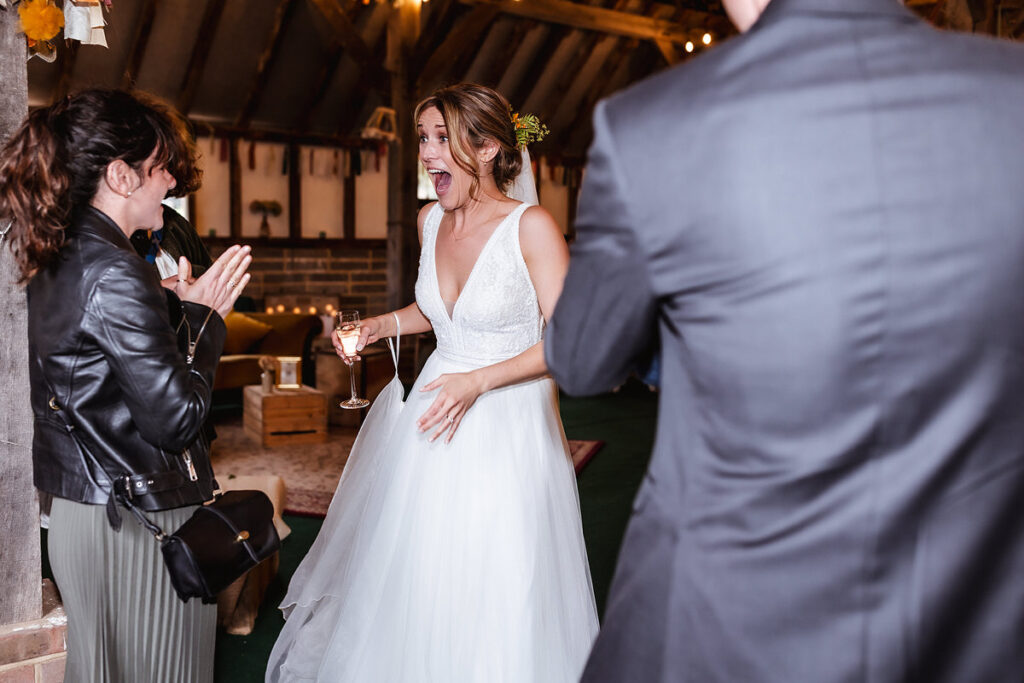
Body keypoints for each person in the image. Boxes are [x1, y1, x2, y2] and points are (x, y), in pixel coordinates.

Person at [544, 0, 1024, 681]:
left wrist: (679, 344)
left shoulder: (653, 125)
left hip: (725, 625)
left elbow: (582, 358)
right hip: (971, 618)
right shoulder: (1012, 92)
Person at [267, 83, 598, 682]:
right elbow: (439, 314)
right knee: (418, 564)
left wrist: (479, 382)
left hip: (506, 420)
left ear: (491, 148)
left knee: (492, 569)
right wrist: (376, 326)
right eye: (423, 137)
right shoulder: (428, 222)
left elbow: (569, 341)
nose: (425, 151)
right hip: (432, 411)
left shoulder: (532, 228)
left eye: (442, 138)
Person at [0, 88, 252, 683]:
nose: (170, 182)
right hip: (140, 525)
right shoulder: (118, 271)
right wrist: (209, 320)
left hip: (84, 515)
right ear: (120, 174)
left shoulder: (58, 254)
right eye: (160, 167)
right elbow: (176, 421)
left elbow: (103, 382)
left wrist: (179, 313)